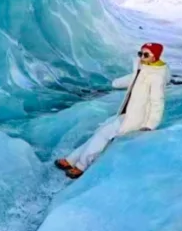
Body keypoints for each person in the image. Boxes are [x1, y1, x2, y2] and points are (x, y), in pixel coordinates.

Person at [55, 43, 167, 179]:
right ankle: (72, 160)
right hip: (127, 112)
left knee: (103, 135)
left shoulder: (156, 77)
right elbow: (134, 79)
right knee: (100, 133)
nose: (142, 57)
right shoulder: (144, 68)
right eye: (140, 53)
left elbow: (157, 101)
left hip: (137, 118)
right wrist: (116, 83)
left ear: (155, 56)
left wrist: (150, 124)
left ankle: (81, 166)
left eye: (146, 54)